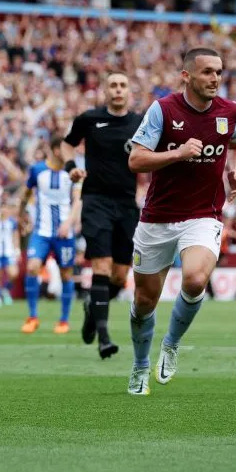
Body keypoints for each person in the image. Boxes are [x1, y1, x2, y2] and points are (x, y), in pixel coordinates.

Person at [125, 47, 236, 396]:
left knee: (194, 279)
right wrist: (177, 153)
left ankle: (172, 344)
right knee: (145, 301)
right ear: (187, 76)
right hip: (158, 218)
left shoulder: (231, 111)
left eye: (219, 72)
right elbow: (136, 160)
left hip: (203, 215)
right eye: (207, 72)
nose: (215, 79)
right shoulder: (163, 110)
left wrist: (235, 174)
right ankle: (140, 366)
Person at [61, 71, 143, 359]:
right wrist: (71, 166)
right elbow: (67, 143)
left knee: (120, 277)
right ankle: (104, 338)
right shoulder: (89, 119)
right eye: (113, 85)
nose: (118, 90)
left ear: (129, 91)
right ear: (105, 91)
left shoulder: (140, 122)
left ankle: (90, 308)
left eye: (123, 85)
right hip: (95, 201)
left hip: (127, 204)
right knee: (102, 266)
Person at [19, 135, 83, 335]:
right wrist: (21, 212)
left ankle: (63, 320)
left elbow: (78, 200)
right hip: (41, 231)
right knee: (32, 267)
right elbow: (27, 192)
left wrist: (68, 222)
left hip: (64, 233)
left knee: (66, 274)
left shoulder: (73, 173)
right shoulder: (38, 170)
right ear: (57, 150)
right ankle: (32, 317)